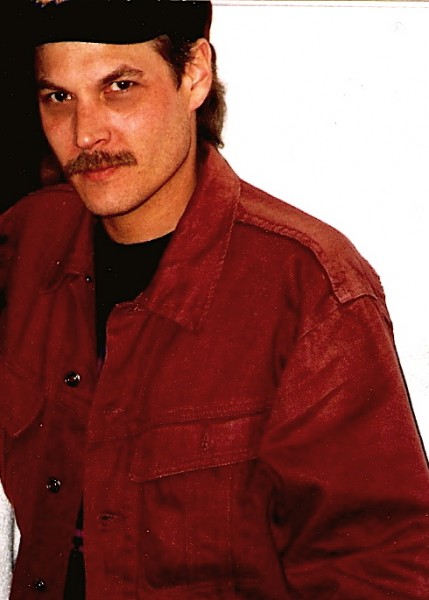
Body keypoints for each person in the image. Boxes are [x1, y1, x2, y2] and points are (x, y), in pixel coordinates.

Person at [0, 1, 428, 598]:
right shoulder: (25, 244)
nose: (84, 132)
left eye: (120, 87)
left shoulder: (309, 289)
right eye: (59, 97)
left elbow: (378, 566)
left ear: (195, 74)